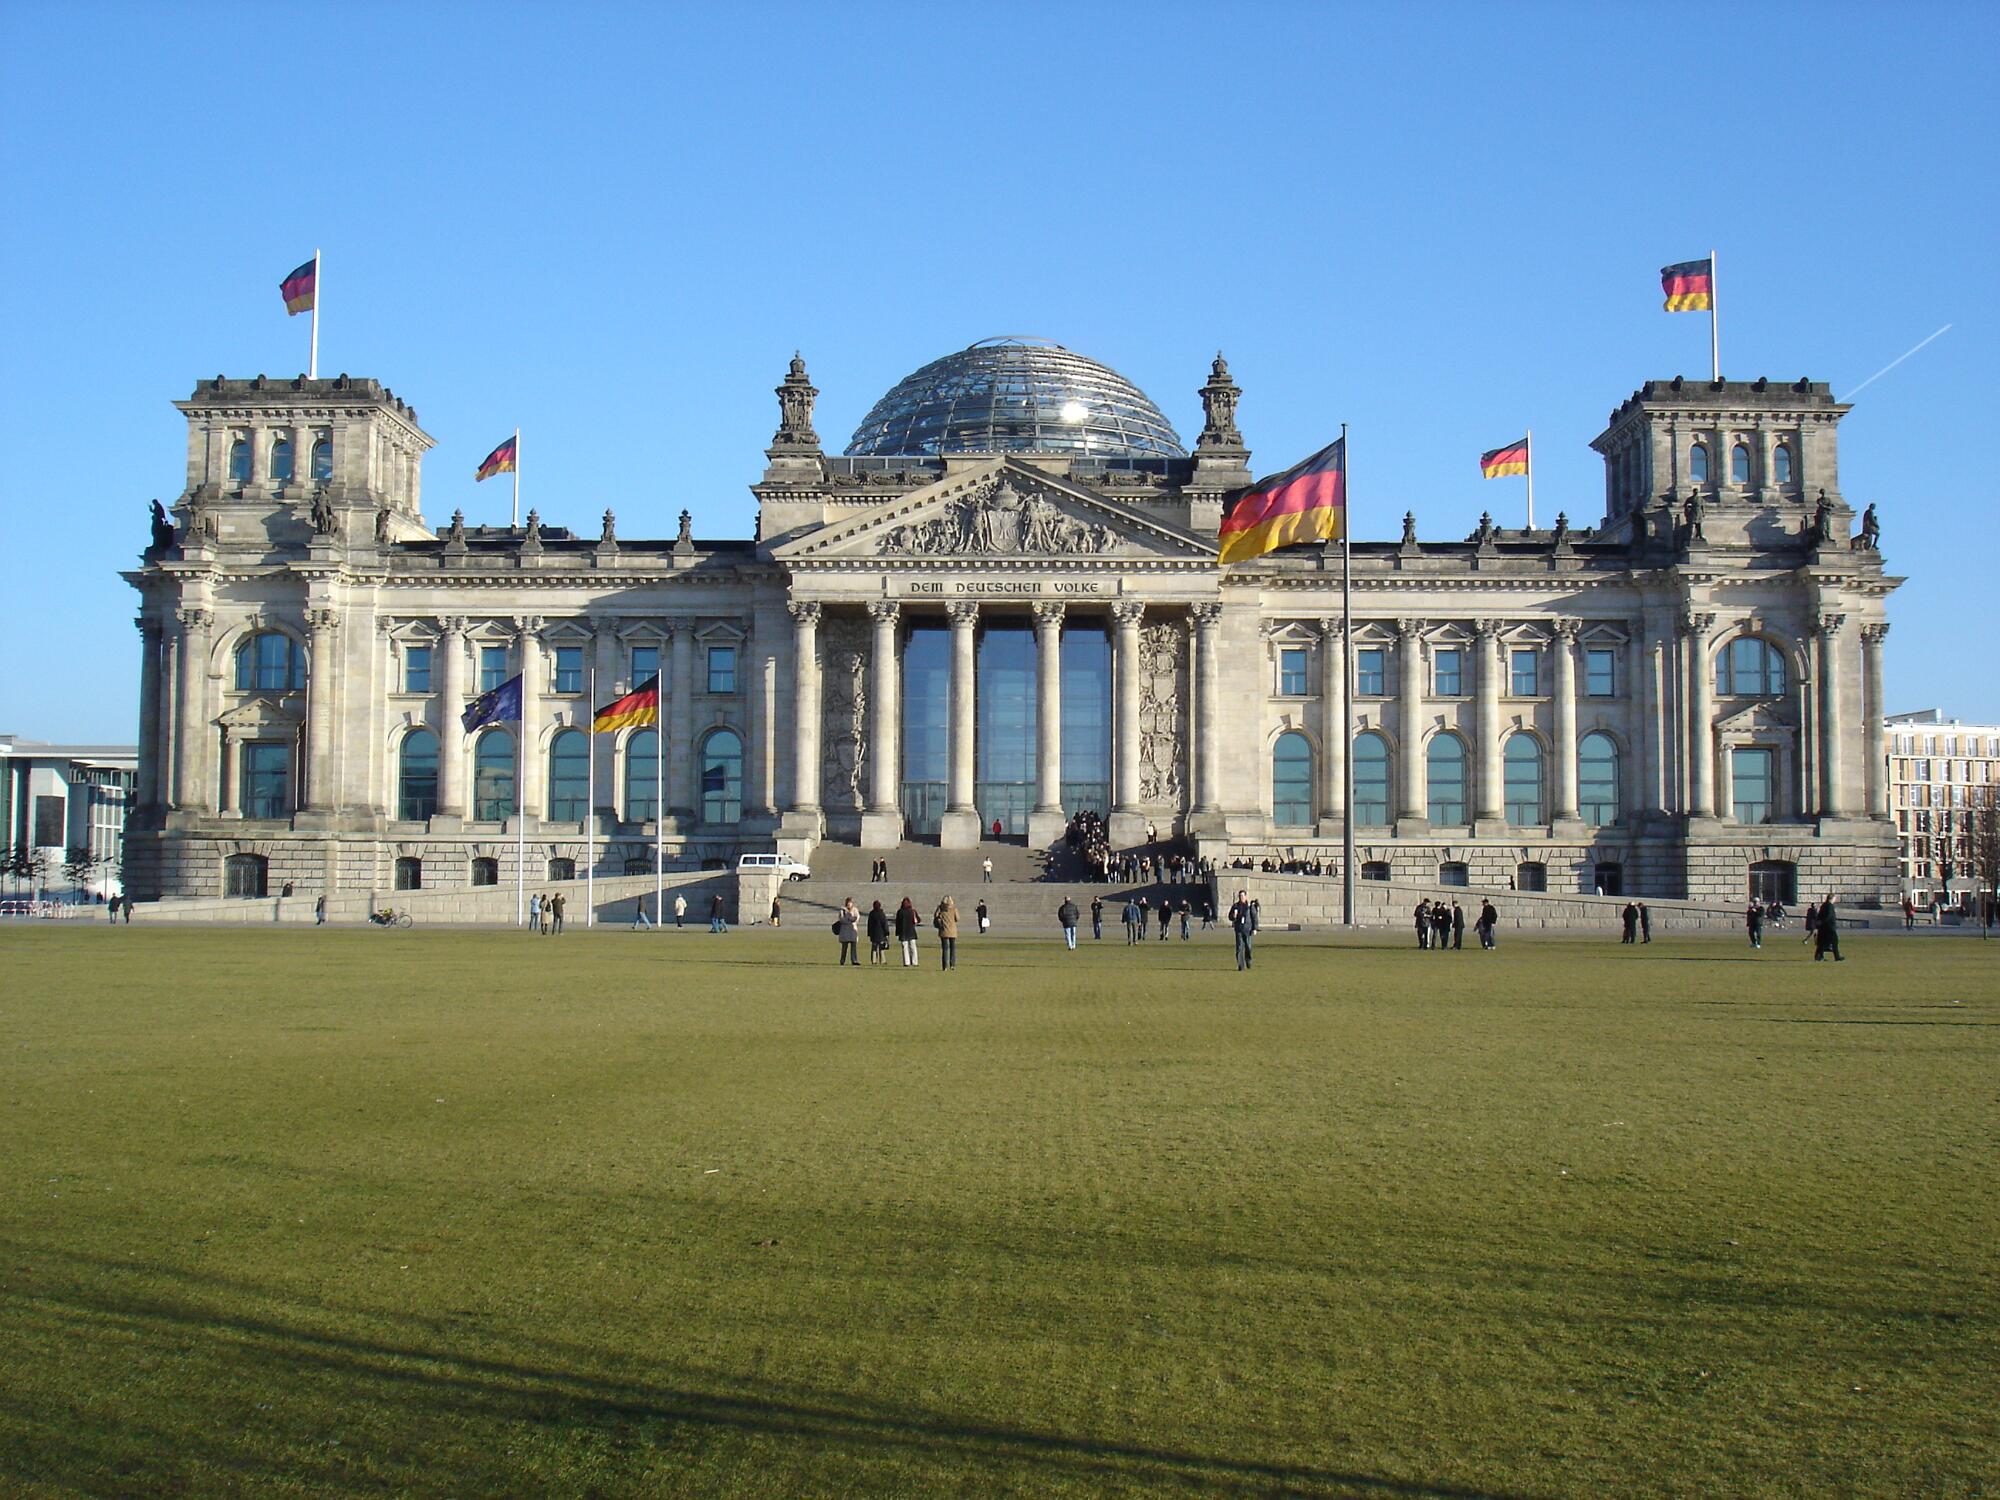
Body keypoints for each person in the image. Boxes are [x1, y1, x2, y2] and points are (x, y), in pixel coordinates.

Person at [1228, 888, 1258, 971]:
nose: (1241, 897)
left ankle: (1248, 961)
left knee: (1248, 947)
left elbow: (1254, 918)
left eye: (1242, 896)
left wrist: (1255, 928)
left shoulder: (1250, 907)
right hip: (1239, 929)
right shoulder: (1235, 906)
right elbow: (1230, 917)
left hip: (1248, 929)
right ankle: (1241, 966)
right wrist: (1233, 916)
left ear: (1245, 896)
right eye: (1240, 896)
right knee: (1239, 948)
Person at [1814, 894, 1844, 961]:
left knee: (1822, 943)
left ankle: (1819, 956)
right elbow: (1828, 916)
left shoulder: (1824, 905)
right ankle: (1837, 957)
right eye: (1834, 898)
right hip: (1829, 927)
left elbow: (1820, 915)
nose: (1835, 900)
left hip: (1823, 928)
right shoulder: (1830, 906)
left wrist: (1819, 923)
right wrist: (1824, 922)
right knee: (1835, 942)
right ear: (1831, 898)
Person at [934, 896, 959, 969]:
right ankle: (952, 964)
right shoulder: (954, 909)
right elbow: (957, 918)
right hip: (952, 930)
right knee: (952, 948)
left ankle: (944, 966)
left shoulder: (941, 908)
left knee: (945, 949)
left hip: (943, 930)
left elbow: (935, 916)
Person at [894, 896, 920, 966]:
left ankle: (906, 962)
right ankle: (915, 962)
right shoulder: (912, 911)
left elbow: (897, 923)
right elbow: (918, 920)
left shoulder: (900, 912)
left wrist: (897, 933)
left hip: (903, 932)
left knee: (905, 948)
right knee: (913, 947)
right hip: (911, 931)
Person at [833, 898, 860, 966]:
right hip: (845, 932)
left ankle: (854, 960)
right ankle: (842, 960)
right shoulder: (842, 910)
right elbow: (842, 919)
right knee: (844, 947)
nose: (849, 904)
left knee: (853, 947)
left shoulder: (855, 910)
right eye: (848, 902)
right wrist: (850, 920)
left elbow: (856, 918)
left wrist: (850, 919)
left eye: (850, 902)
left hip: (853, 931)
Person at [866, 900, 889, 964]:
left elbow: (869, 924)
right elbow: (885, 924)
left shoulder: (871, 914)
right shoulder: (882, 914)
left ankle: (874, 960)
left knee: (874, 948)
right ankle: (882, 960)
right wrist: (886, 933)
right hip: (881, 934)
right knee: (881, 948)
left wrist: (869, 933)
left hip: (873, 934)